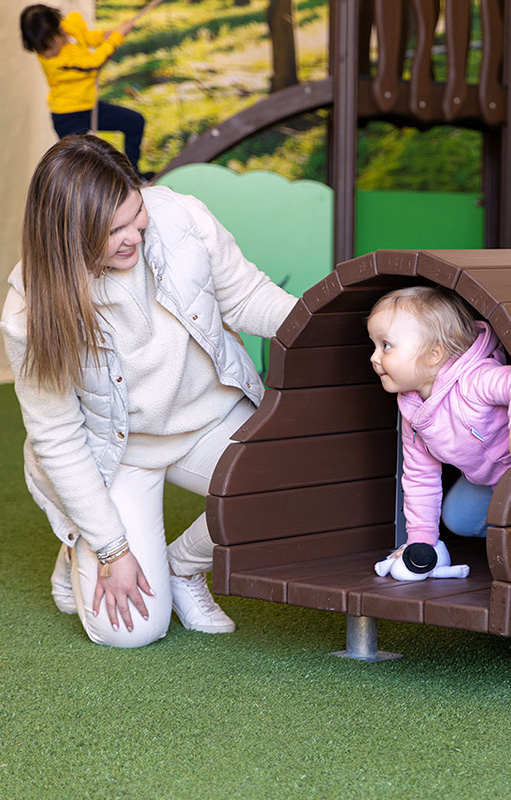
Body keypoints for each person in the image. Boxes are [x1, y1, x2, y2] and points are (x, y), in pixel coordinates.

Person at [1, 135, 297, 647]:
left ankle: (182, 568)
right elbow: (59, 438)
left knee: (296, 484)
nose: (133, 237)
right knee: (132, 631)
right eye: (111, 231)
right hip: (115, 454)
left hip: (209, 421)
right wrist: (112, 551)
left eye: (135, 216)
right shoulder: (31, 310)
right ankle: (81, 543)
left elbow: (247, 296)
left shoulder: (181, 217)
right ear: (65, 236)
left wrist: (324, 322)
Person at [367, 286, 511, 581]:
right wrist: (421, 541)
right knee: (456, 518)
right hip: (486, 481)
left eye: (386, 346)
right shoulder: (412, 409)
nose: (374, 358)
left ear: (434, 354)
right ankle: (507, 532)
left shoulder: (475, 378)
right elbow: (419, 476)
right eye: (374, 346)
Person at [20, 4, 149, 177]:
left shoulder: (70, 28)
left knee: (134, 122)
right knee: (82, 166)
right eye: (40, 51)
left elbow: (86, 37)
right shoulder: (57, 63)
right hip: (67, 117)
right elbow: (94, 63)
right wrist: (118, 36)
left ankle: (133, 176)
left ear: (60, 31)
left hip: (89, 107)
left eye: (49, 47)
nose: (46, 54)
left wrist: (104, 35)